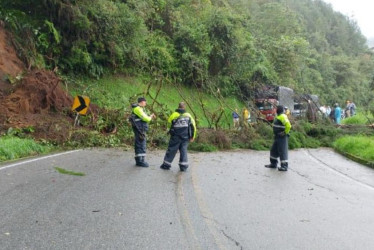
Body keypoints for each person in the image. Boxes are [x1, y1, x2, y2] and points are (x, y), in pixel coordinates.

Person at [160, 102, 197, 172]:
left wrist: (170, 132)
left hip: (175, 136)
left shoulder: (173, 115)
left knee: (171, 149)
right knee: (183, 150)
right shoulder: (188, 116)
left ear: (178, 107)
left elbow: (168, 125)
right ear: (184, 107)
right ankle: (183, 166)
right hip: (185, 137)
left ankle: (166, 165)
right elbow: (193, 127)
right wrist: (192, 136)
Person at [130, 97, 156, 167]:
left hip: (141, 129)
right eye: (145, 102)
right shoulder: (137, 109)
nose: (146, 103)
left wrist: (149, 116)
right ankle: (139, 161)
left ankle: (141, 160)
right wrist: (150, 117)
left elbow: (144, 117)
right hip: (139, 130)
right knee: (140, 144)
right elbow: (146, 119)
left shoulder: (139, 109)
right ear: (141, 102)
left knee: (141, 144)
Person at [265, 105, 291, 171]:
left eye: (277, 109)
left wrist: (285, 132)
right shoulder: (278, 116)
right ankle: (273, 164)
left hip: (282, 137)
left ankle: (284, 166)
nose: (276, 109)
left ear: (279, 110)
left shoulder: (283, 116)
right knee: (273, 150)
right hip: (277, 136)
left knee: (282, 151)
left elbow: (288, 125)